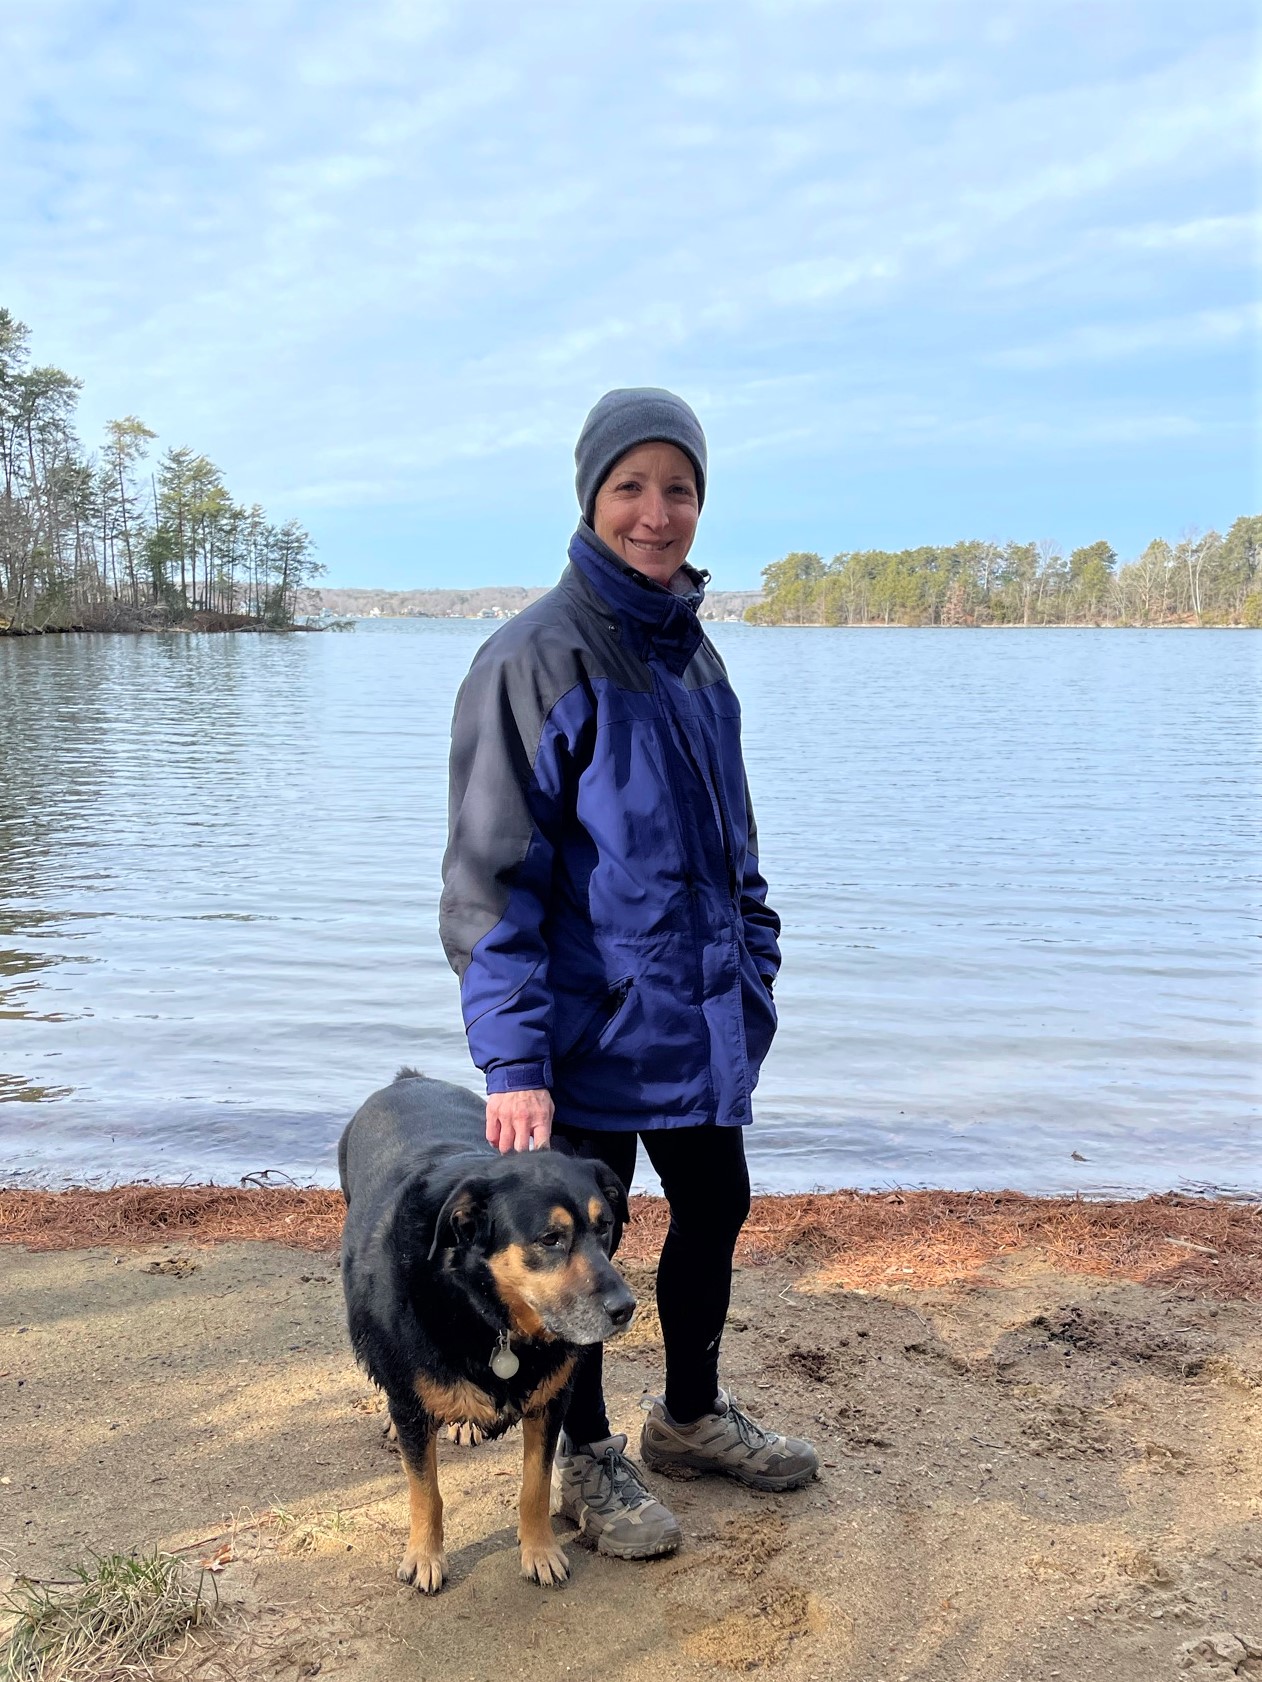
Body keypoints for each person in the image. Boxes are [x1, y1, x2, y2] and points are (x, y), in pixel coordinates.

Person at [440, 387, 818, 1562]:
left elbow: (734, 856)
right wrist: (513, 1061)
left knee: (715, 1208)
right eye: (631, 487)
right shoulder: (532, 657)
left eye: (680, 489)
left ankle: (689, 1417)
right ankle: (587, 1455)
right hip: (581, 1037)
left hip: (697, 1022)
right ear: (591, 497)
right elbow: (491, 882)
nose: (658, 513)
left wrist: (752, 972)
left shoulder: (699, 664)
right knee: (579, 1259)